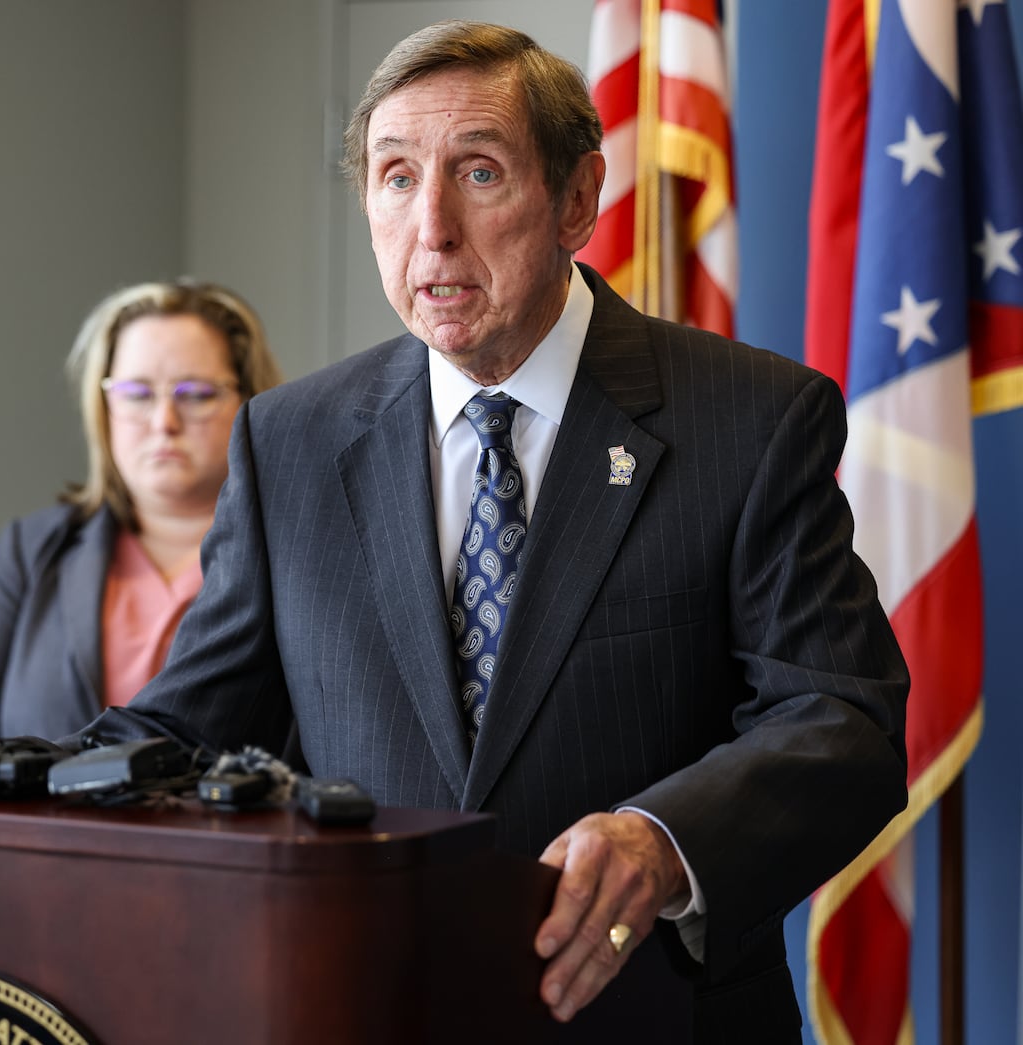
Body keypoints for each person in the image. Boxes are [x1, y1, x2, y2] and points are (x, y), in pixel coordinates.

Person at [78, 21, 908, 1043]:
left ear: (575, 200)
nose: (429, 226)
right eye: (393, 178)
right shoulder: (288, 441)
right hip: (369, 1009)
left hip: (651, 1014)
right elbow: (191, 724)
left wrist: (662, 841)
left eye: (476, 173)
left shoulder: (748, 419)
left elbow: (840, 719)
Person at [0, 281, 283, 742]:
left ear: (249, 399)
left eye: (196, 393)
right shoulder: (31, 550)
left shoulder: (292, 556)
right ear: (103, 409)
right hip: (45, 816)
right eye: (137, 393)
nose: (164, 422)